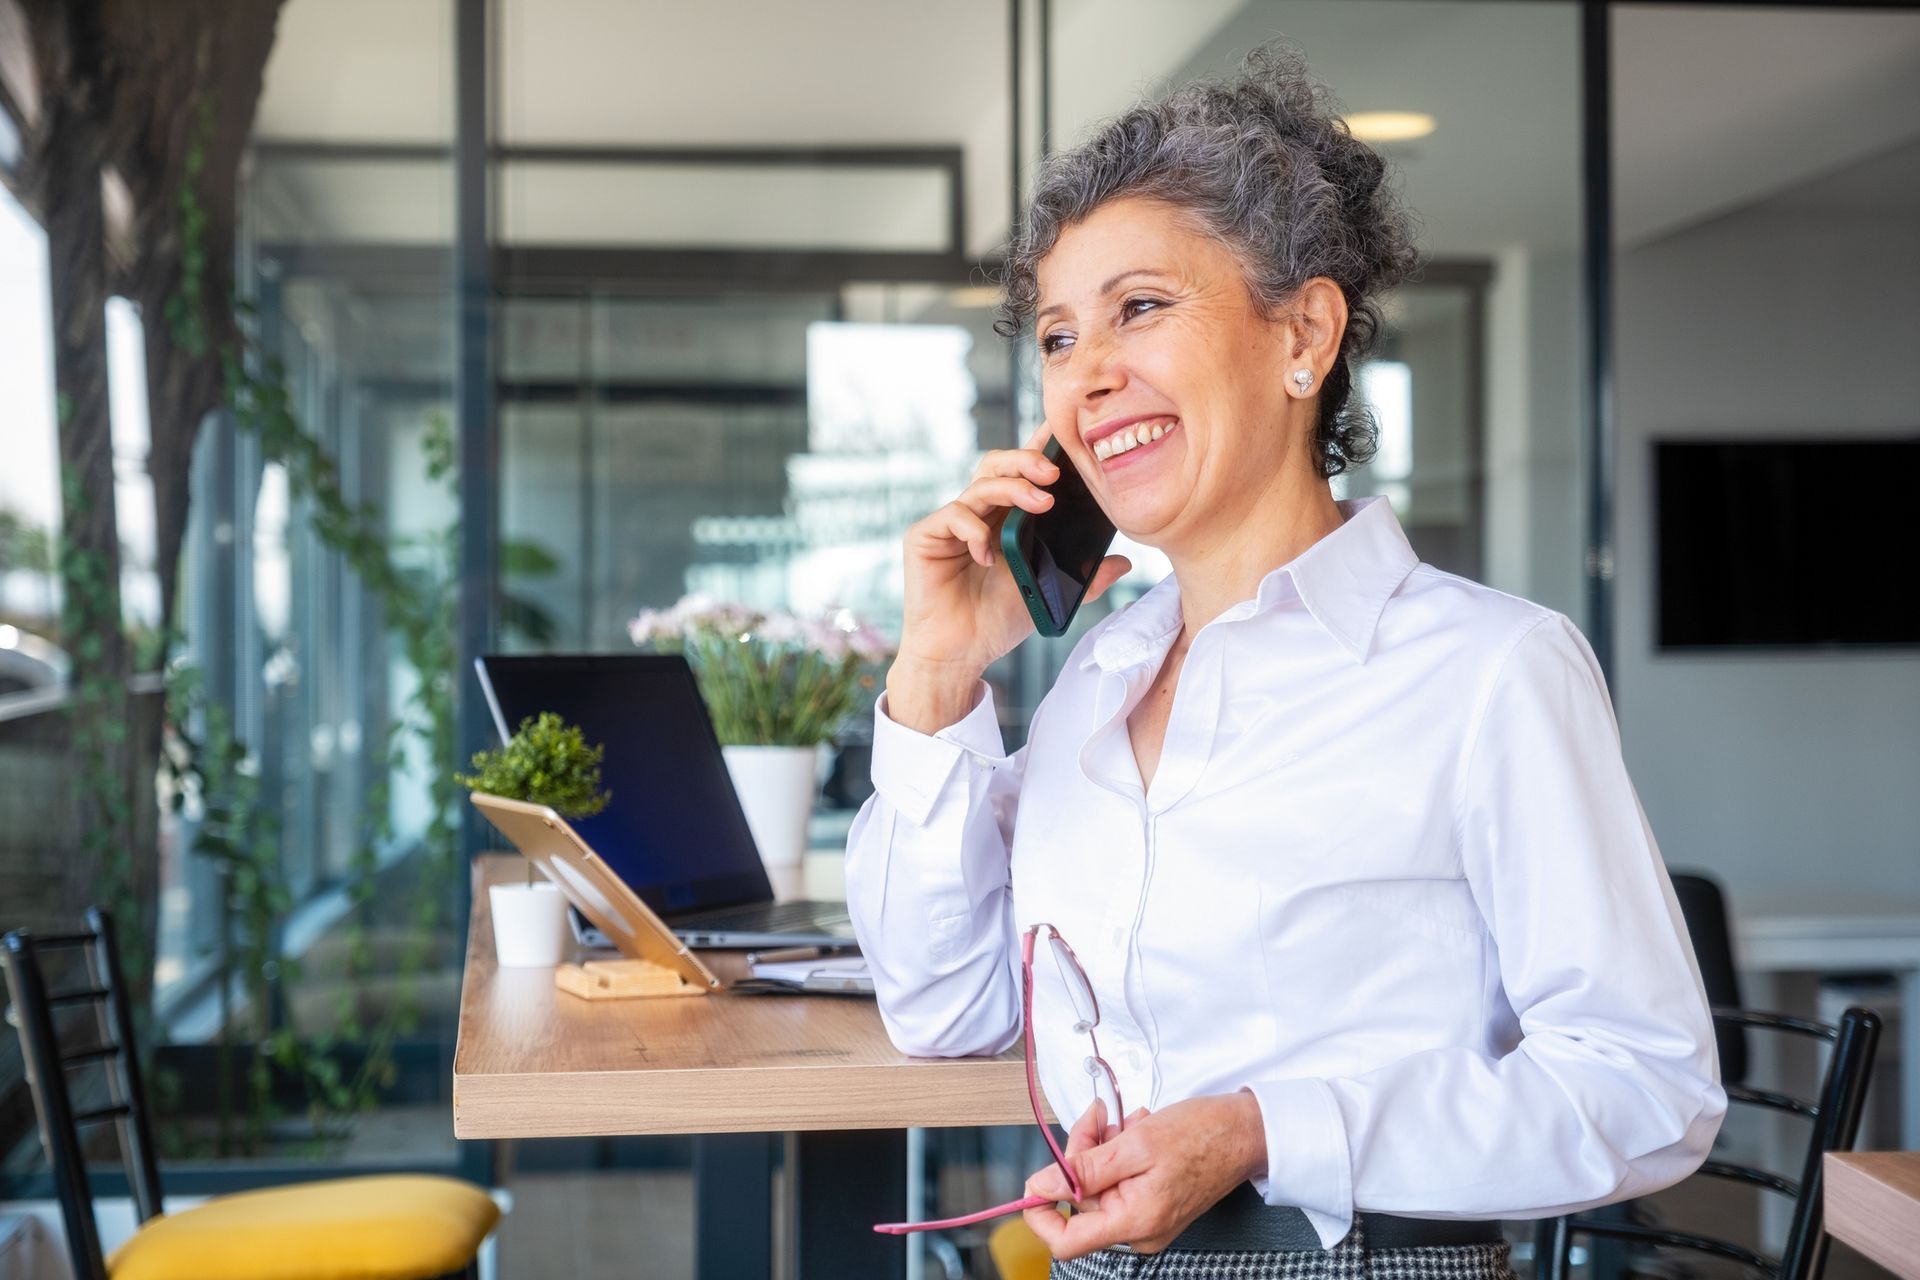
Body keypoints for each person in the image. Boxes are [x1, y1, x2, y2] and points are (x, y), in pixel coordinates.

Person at [843, 38, 1724, 1280]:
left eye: (1139, 308)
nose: (1088, 375)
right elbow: (948, 1011)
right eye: (1056, 337)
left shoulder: (1492, 669)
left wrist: (1266, 1130)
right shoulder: (1099, 679)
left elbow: (1650, 1086)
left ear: (1304, 331)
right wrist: (935, 678)